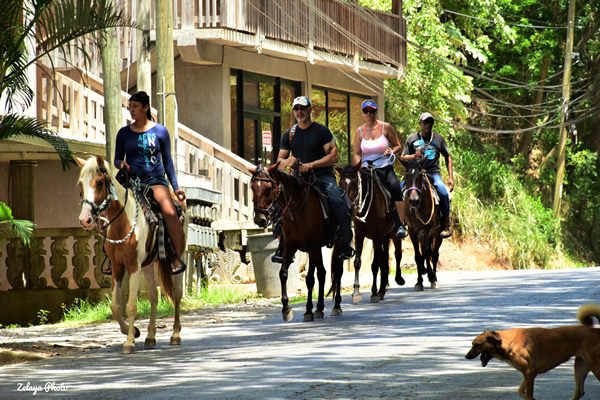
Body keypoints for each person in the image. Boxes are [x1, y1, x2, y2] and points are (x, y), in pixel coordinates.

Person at [111, 91, 187, 274]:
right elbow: (116, 159)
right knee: (110, 209)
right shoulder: (123, 133)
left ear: (146, 108)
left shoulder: (160, 131)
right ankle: (110, 256)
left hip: (155, 181)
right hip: (132, 183)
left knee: (169, 212)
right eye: (129, 107)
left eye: (135, 106)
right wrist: (121, 164)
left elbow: (168, 162)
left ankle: (175, 256)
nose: (131, 110)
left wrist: (175, 188)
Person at [275, 95, 355, 260]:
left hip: (322, 176)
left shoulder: (322, 131)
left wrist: (312, 164)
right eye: (296, 108)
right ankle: (281, 245)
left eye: (303, 108)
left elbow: (333, 158)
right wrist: (287, 161)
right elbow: (278, 161)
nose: (299, 111)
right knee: (278, 203)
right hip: (298, 179)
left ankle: (345, 243)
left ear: (310, 109)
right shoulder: (289, 134)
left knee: (337, 200)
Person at [352, 100, 407, 239]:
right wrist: (359, 166)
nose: (369, 114)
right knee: (351, 189)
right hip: (366, 169)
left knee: (395, 187)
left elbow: (397, 145)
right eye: (366, 111)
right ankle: (351, 220)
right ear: (363, 113)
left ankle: (400, 224)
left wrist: (391, 151)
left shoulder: (385, 127)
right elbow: (357, 153)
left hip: (384, 167)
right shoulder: (359, 131)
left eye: (371, 111)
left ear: (375, 112)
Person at [400, 112, 454, 238]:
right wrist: (414, 156)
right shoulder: (412, 138)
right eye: (425, 122)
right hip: (415, 173)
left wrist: (450, 177)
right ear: (420, 123)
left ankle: (445, 223)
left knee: (443, 192)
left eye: (430, 122)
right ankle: (400, 223)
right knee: (399, 190)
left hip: (432, 173)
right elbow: (403, 157)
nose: (428, 125)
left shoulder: (438, 139)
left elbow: (448, 156)